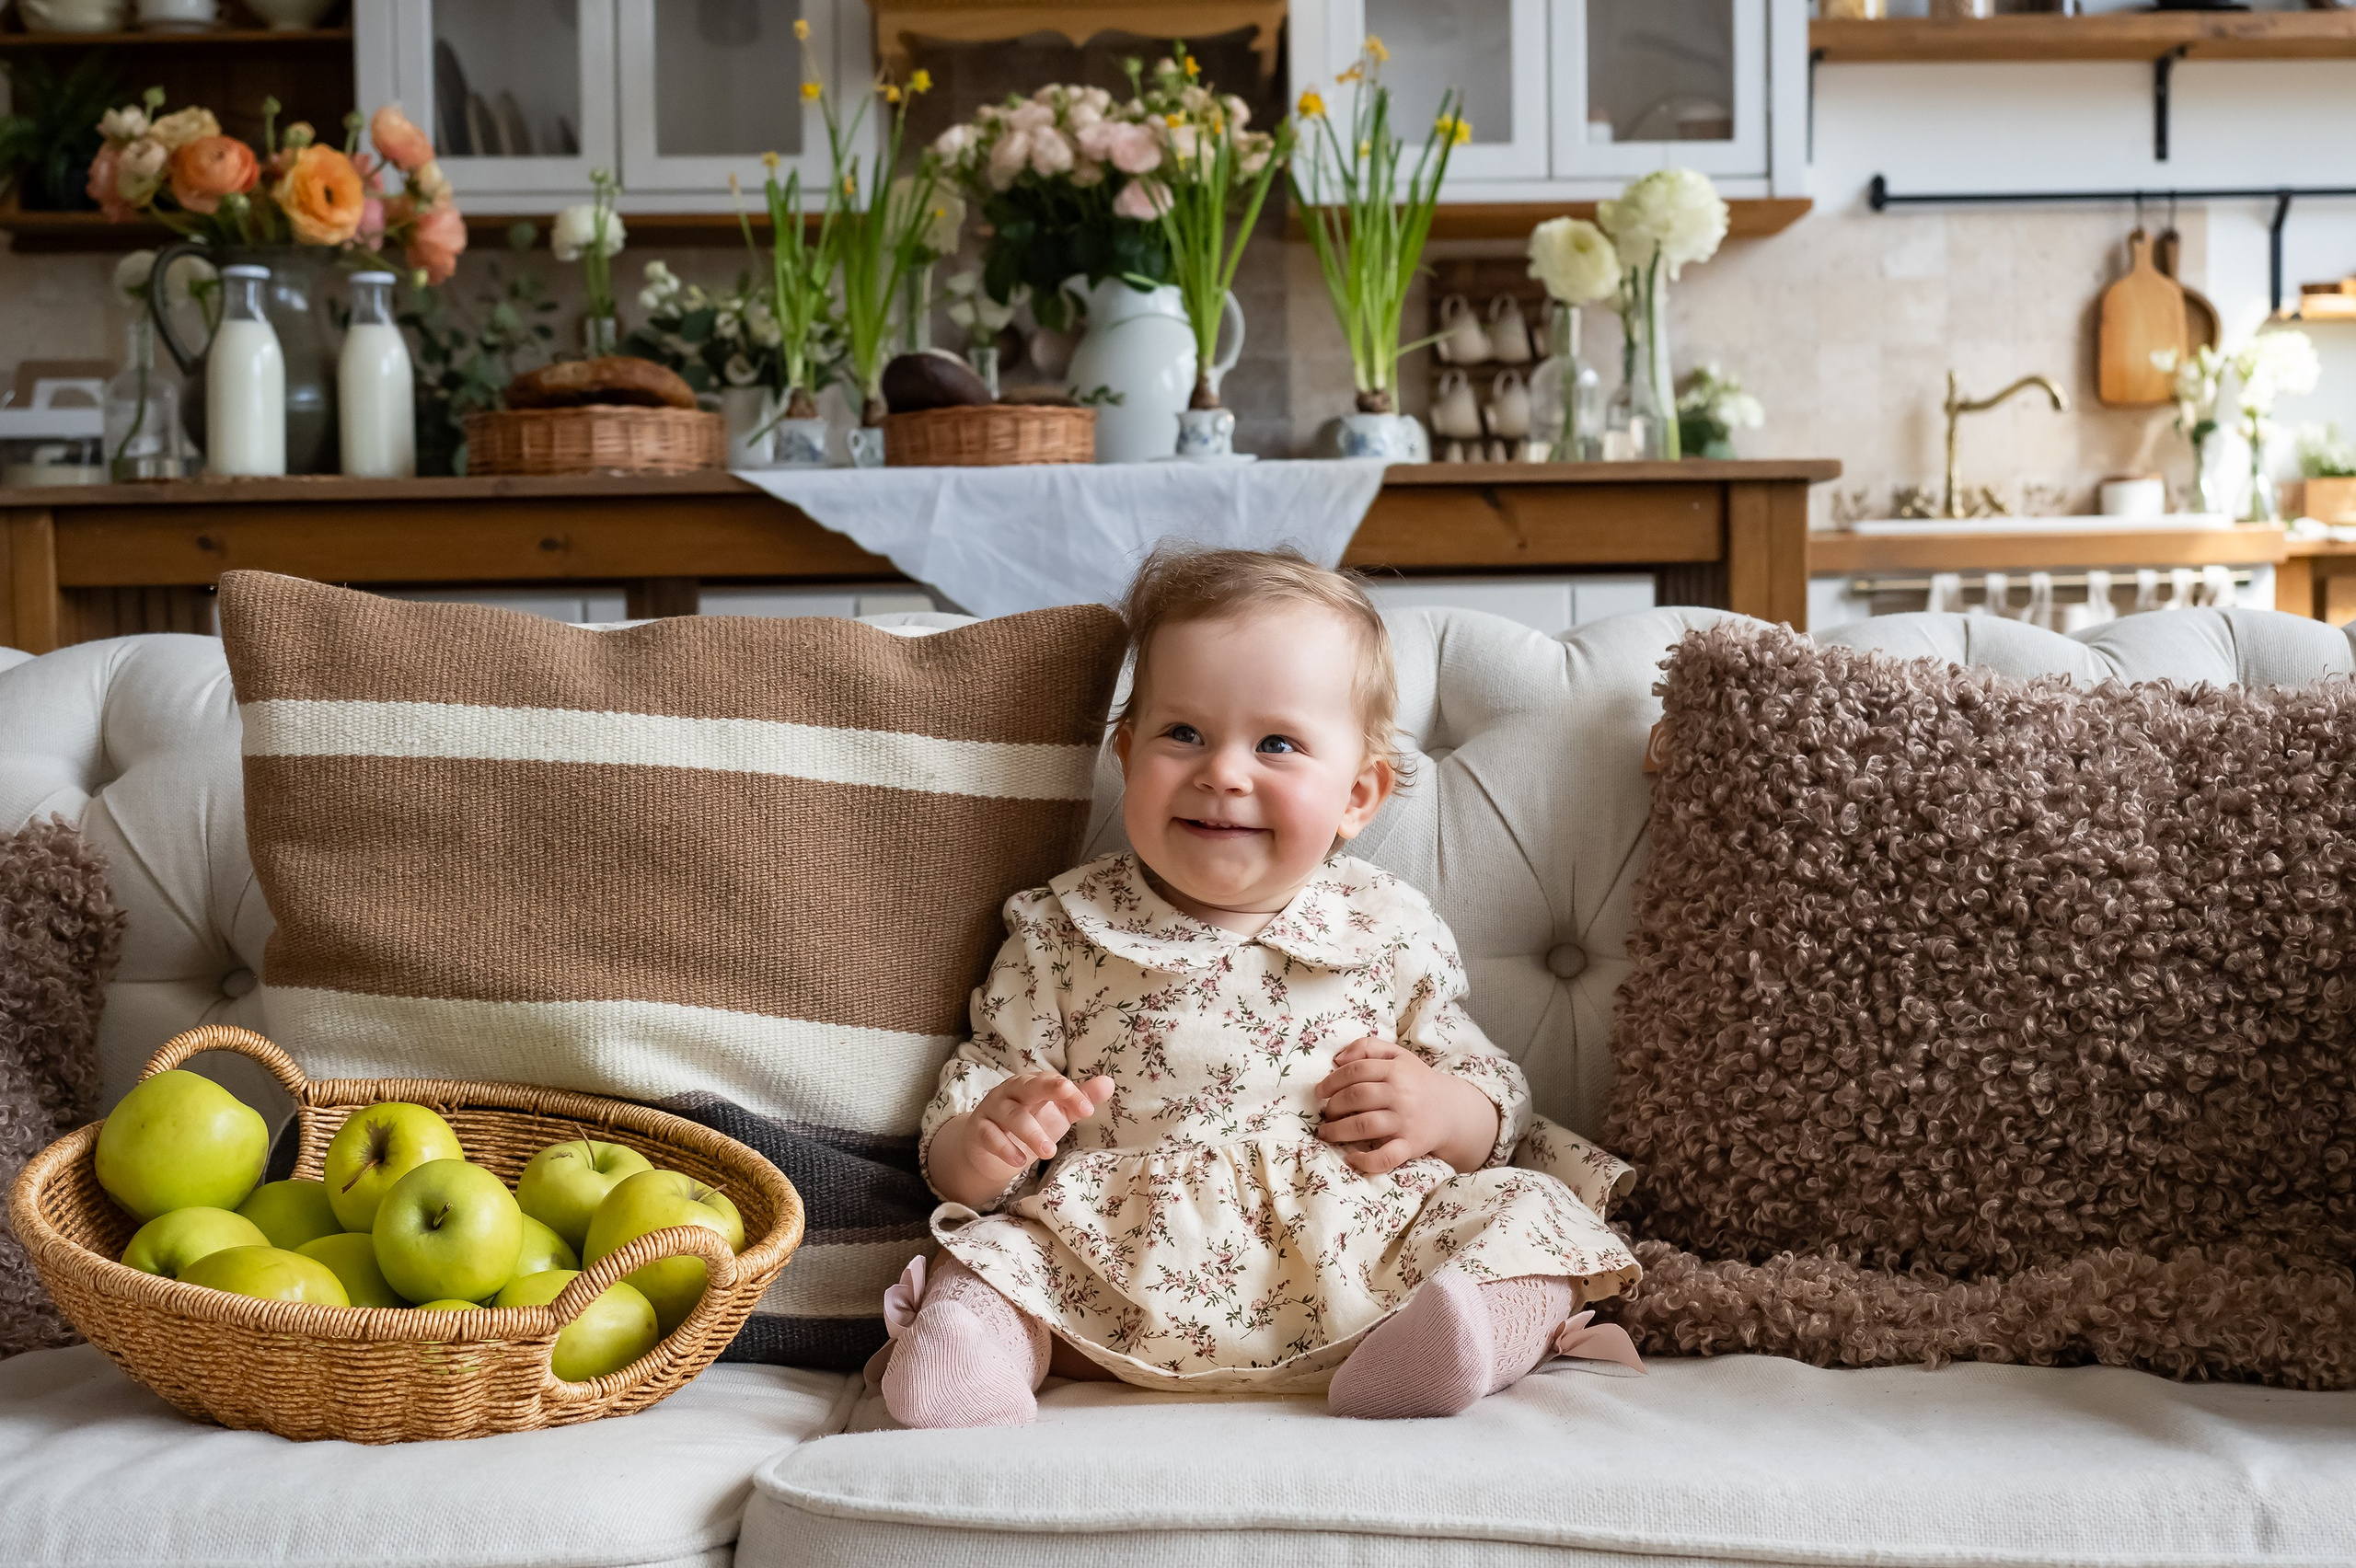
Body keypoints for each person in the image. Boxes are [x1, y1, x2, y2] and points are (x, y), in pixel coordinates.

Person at [874, 547, 1641, 1427]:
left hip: (1362, 1255)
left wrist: (1440, 1110)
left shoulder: (1383, 924)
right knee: (986, 1258)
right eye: (1183, 734)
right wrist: (987, 1142)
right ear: (1126, 754)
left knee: (1530, 1214)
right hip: (1121, 1260)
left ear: (1358, 795)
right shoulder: (1061, 928)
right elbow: (977, 1093)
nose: (1224, 773)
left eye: (1276, 744)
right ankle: (968, 1368)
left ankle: (1454, 1345)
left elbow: (1491, 1093)